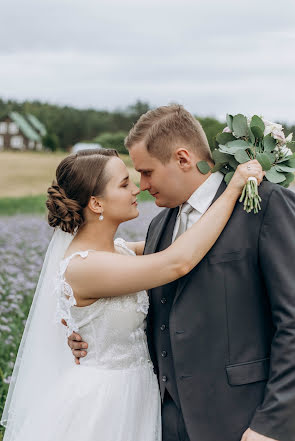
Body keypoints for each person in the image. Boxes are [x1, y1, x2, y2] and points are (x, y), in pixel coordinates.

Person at [0, 147, 263, 441]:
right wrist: (233, 189)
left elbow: (182, 238)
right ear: (96, 203)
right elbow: (177, 261)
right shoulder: (85, 267)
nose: (137, 189)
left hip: (140, 393)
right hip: (107, 402)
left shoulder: (120, 250)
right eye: (124, 184)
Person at [69, 106, 295, 441]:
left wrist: (273, 424)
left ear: (183, 159)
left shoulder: (264, 205)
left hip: (244, 420)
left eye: (147, 172)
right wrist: (93, 333)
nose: (142, 186)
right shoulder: (160, 224)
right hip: (162, 421)